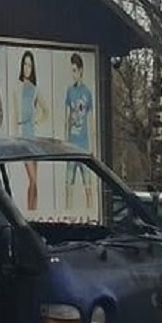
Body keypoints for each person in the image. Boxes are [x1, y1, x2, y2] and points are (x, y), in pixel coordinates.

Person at [13, 50, 49, 211]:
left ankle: (34, 212)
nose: (27, 68)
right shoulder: (17, 87)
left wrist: (37, 119)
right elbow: (14, 115)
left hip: (32, 137)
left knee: (36, 182)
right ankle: (29, 212)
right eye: (25, 64)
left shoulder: (34, 89)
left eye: (30, 65)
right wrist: (14, 138)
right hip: (23, 138)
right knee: (32, 180)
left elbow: (46, 110)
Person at [63, 53, 96, 216]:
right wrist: (64, 144)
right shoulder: (69, 92)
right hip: (71, 146)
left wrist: (92, 148)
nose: (73, 74)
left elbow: (90, 122)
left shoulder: (87, 93)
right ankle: (68, 217)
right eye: (72, 71)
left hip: (83, 147)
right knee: (68, 186)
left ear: (81, 71)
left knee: (88, 186)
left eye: (75, 70)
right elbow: (66, 119)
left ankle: (91, 214)